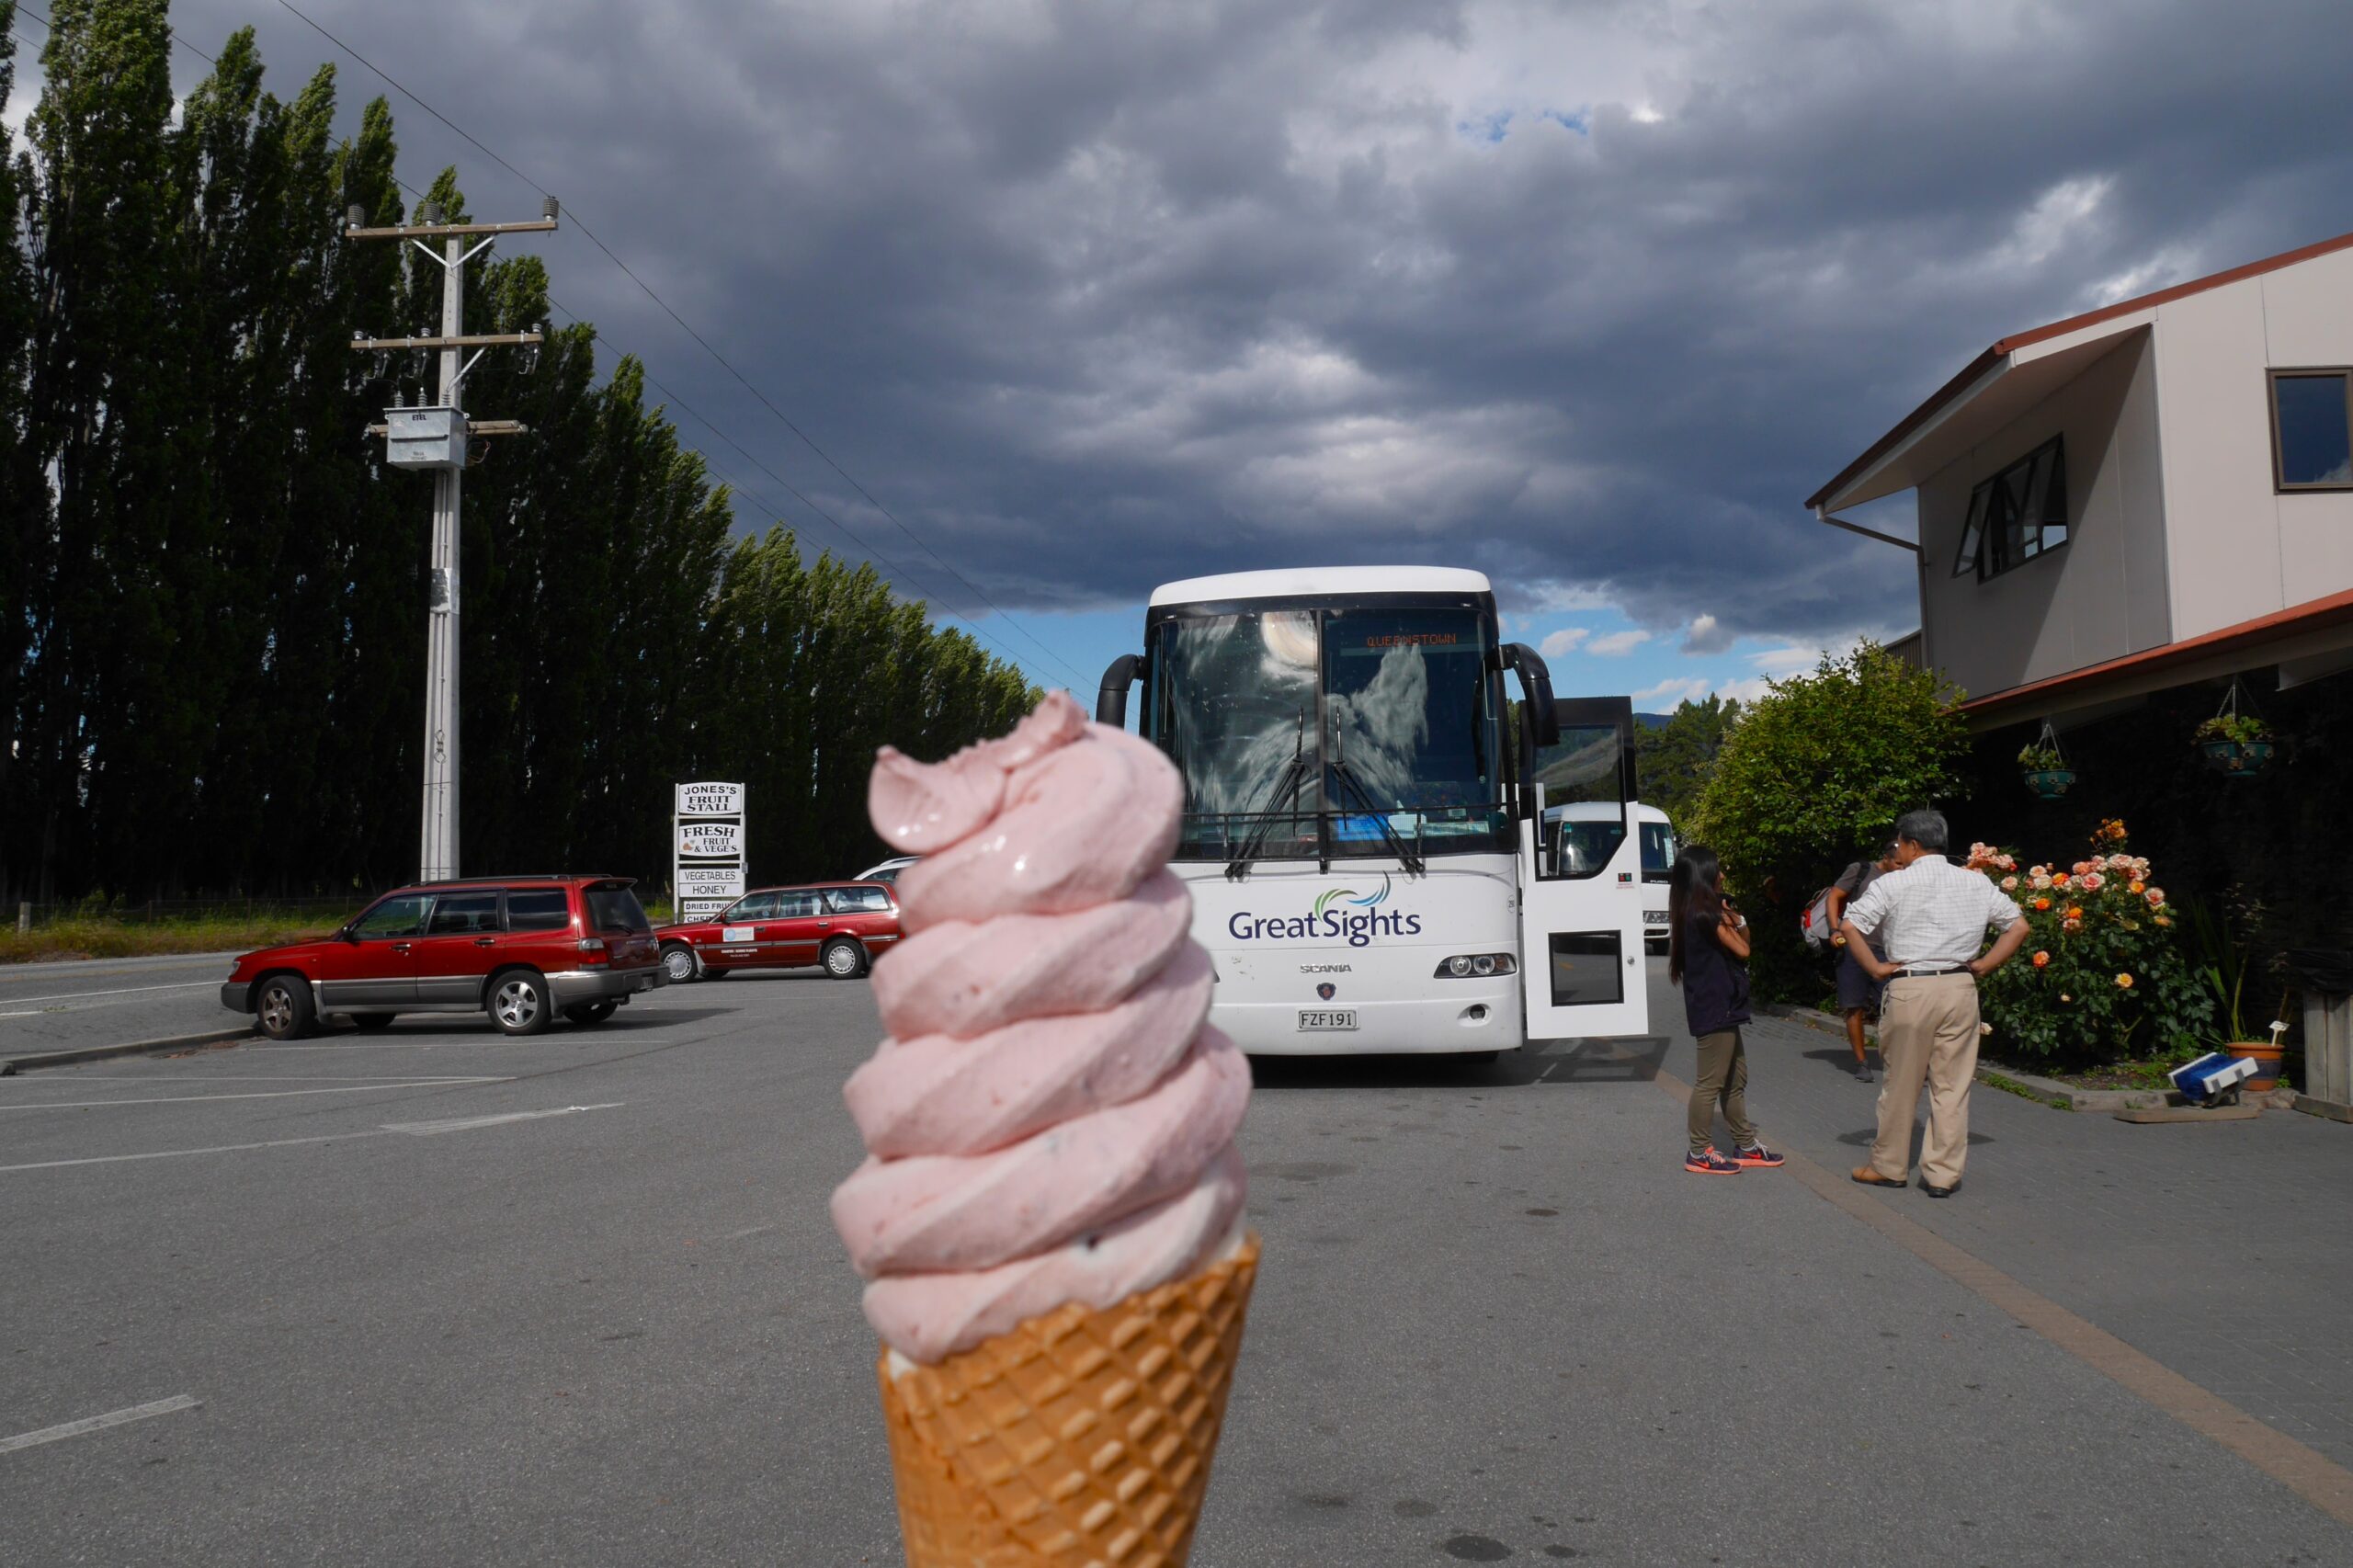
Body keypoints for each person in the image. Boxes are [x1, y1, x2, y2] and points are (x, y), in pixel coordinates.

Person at [1838, 809, 2029, 1198]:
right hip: (1960, 987)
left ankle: (1889, 1166)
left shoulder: (1893, 884)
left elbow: (1849, 925)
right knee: (1952, 1087)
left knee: (1900, 1084)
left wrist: (1875, 968)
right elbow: (2018, 926)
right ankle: (1943, 1175)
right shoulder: (1974, 882)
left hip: (1911, 988)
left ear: (1909, 844)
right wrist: (1983, 965)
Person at [1667, 845, 1785, 1176]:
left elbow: (1742, 936)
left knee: (1735, 1079)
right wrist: (1730, 919)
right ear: (1703, 875)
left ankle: (1745, 1145)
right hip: (1715, 1006)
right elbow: (1744, 949)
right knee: (1710, 1082)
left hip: (1723, 1005)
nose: (1723, 875)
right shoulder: (1704, 915)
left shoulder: (1698, 911)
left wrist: (1737, 917)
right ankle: (1699, 1151)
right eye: (1717, 870)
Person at [1826, 840, 1899, 1083]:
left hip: (1885, 949)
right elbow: (1834, 896)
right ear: (1886, 858)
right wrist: (1834, 929)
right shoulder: (1862, 870)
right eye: (1897, 863)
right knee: (1853, 1005)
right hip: (1853, 947)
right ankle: (1861, 1062)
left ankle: (1899, 1062)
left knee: (1893, 1006)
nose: (1901, 868)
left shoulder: (1904, 877)